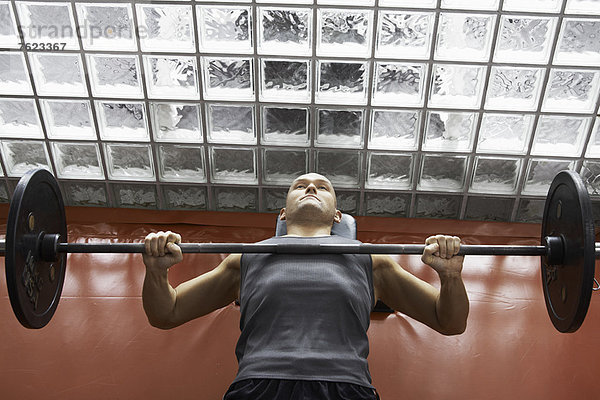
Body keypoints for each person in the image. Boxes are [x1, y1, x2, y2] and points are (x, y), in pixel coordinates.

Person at [142, 173, 469, 400]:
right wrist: (156, 272)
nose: (311, 189)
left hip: (345, 387)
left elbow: (450, 322)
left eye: (322, 187)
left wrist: (451, 276)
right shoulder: (245, 258)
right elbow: (166, 313)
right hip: (259, 386)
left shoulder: (371, 260)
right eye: (301, 186)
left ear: (337, 215)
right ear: (284, 212)